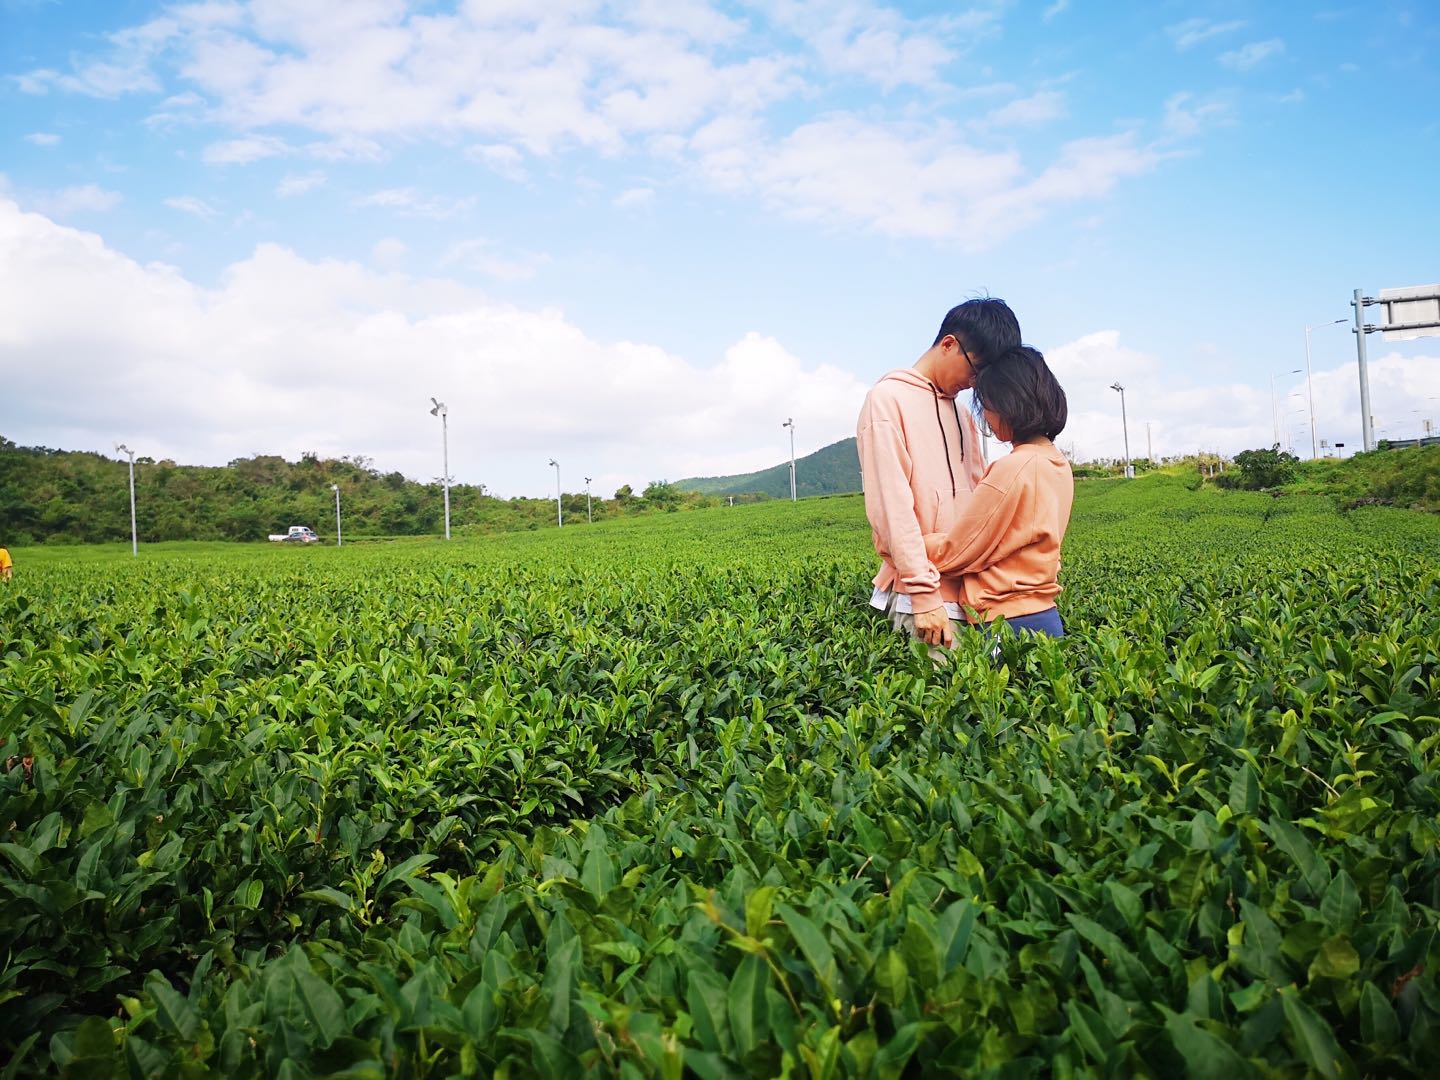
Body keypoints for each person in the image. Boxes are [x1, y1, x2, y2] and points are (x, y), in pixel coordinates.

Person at [856, 298, 1022, 650]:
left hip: (970, 594)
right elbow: (892, 509)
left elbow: (981, 501)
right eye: (976, 371)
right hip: (924, 600)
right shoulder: (887, 400)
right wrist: (923, 594)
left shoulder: (963, 417)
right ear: (949, 344)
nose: (976, 384)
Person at [922, 345, 1072, 637]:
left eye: (987, 406)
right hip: (1044, 616)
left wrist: (910, 545)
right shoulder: (1057, 464)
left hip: (1006, 622)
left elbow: (959, 551)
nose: (986, 417)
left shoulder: (1013, 468)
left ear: (1009, 405)